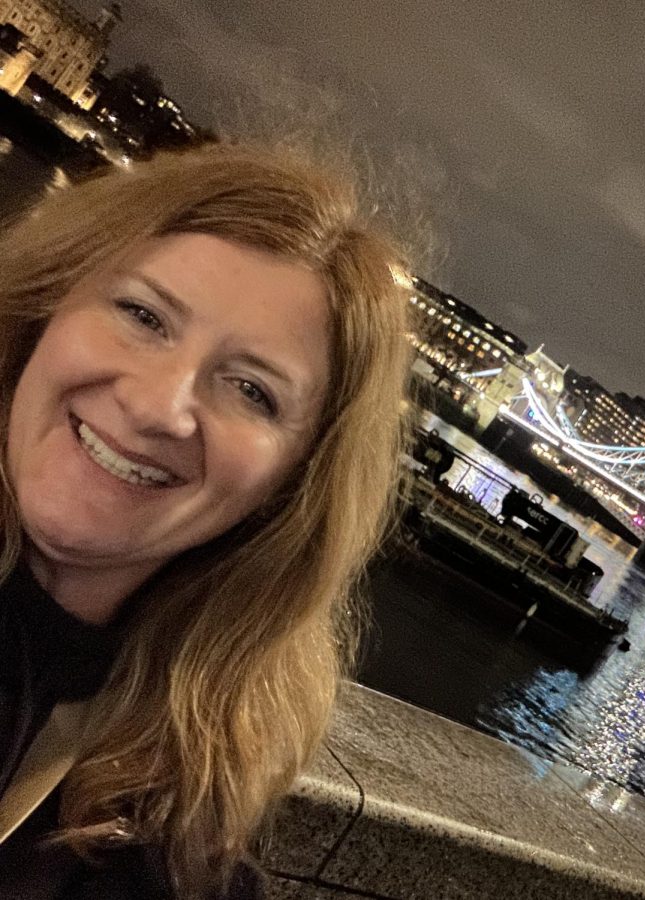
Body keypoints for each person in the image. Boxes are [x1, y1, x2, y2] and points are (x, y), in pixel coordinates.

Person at [0, 143, 413, 898]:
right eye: (142, 315)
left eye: (252, 391)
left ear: (291, 486)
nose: (157, 405)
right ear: (44, 308)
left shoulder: (182, 844)